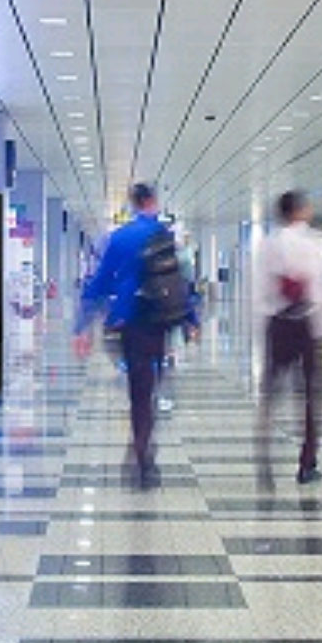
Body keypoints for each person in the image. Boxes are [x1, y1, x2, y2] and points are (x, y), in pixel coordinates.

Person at [73, 183, 197, 490]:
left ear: (132, 203)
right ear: (152, 202)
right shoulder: (166, 236)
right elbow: (180, 281)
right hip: (160, 321)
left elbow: (100, 281)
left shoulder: (119, 237)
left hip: (129, 321)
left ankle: (141, 451)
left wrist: (82, 324)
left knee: (138, 392)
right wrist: (190, 320)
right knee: (152, 386)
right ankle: (143, 447)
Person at [257, 190, 322, 490]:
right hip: (310, 327)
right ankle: (307, 463)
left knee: (271, 393)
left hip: (278, 325)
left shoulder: (269, 244)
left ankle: (263, 457)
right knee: (310, 397)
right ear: (301, 211)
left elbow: (261, 291)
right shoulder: (319, 243)